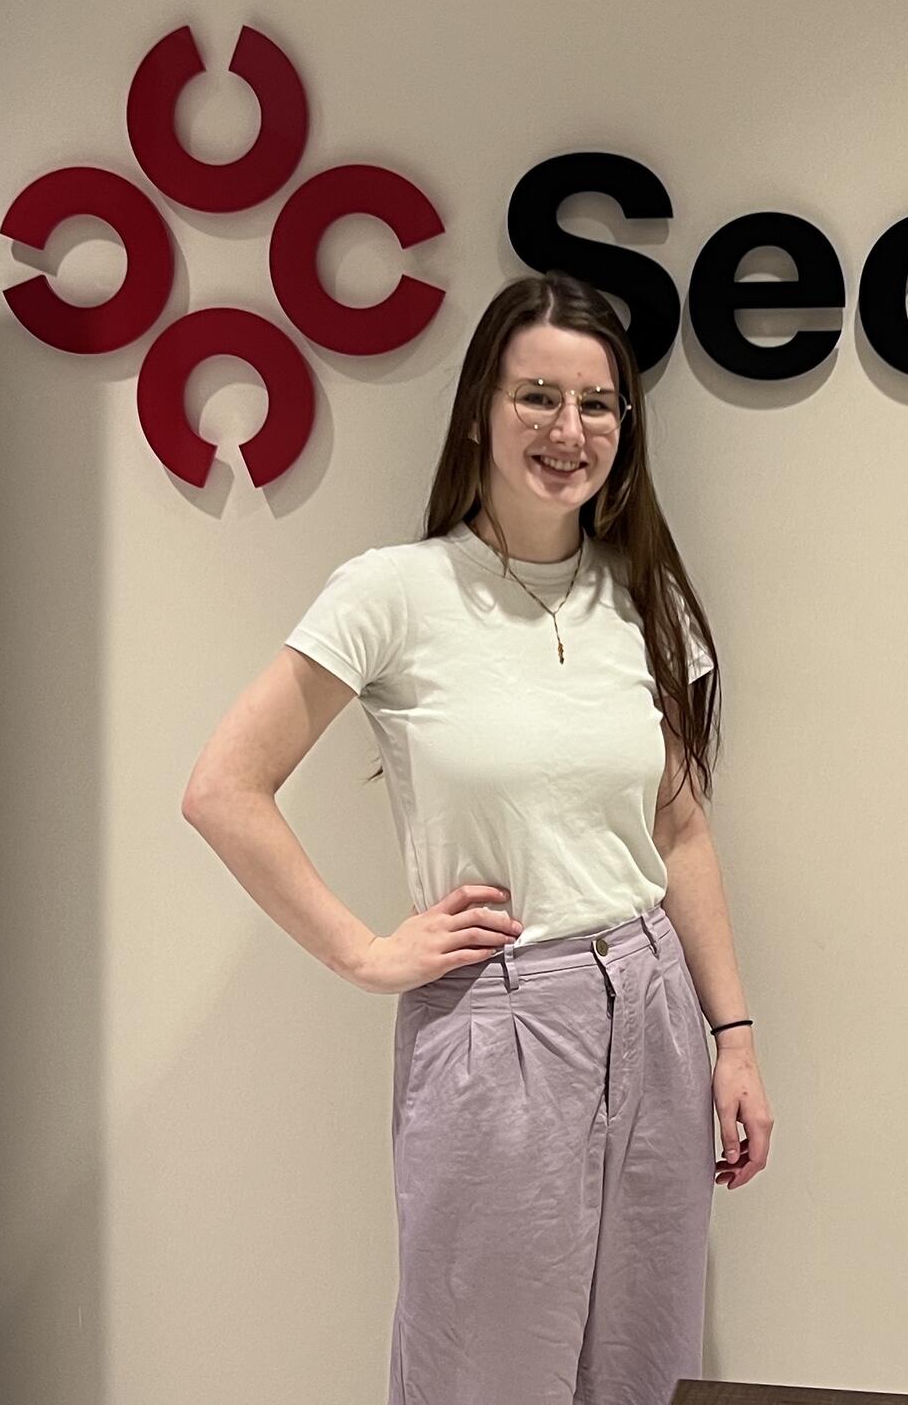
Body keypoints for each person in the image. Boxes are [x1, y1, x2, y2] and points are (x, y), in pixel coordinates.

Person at [181, 270, 773, 1405]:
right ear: (478, 411)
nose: (568, 430)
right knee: (484, 1371)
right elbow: (224, 787)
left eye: (597, 404)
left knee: (643, 1364)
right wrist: (365, 950)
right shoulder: (396, 591)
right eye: (537, 396)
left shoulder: (649, 597)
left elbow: (679, 825)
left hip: (651, 1010)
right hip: (499, 1015)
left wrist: (733, 1036)